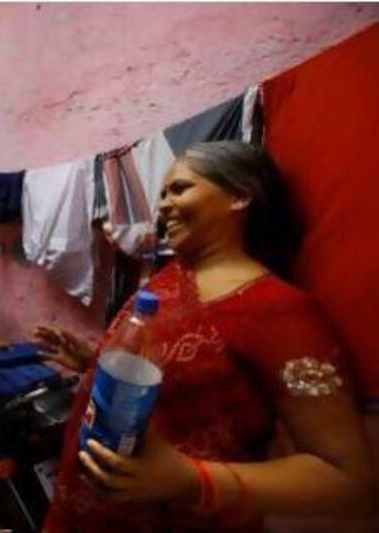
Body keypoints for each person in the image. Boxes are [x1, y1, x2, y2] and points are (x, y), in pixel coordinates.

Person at [35, 141, 376, 532]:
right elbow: (183, 380)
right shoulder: (169, 280)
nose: (162, 206)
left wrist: (191, 478)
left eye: (180, 188)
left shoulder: (278, 310)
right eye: (162, 193)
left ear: (240, 195)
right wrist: (93, 360)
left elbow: (351, 483)